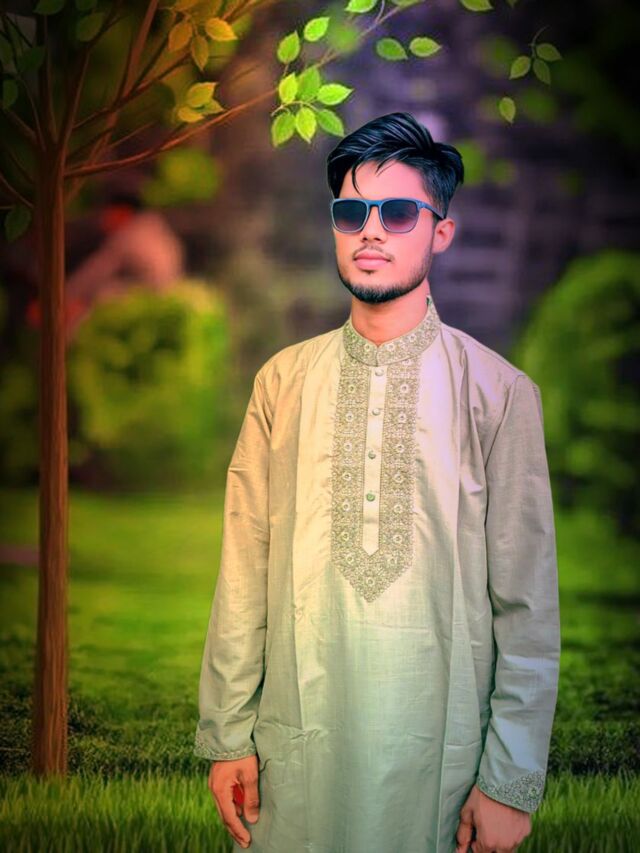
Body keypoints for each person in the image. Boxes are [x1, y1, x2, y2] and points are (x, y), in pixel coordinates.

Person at [194, 112, 561, 853]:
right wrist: (228, 735)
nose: (371, 232)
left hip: (442, 765)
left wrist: (508, 780)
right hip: (295, 755)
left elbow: (527, 606)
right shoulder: (283, 383)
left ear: (441, 232)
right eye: (351, 212)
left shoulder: (497, 393)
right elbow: (243, 571)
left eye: (397, 213)